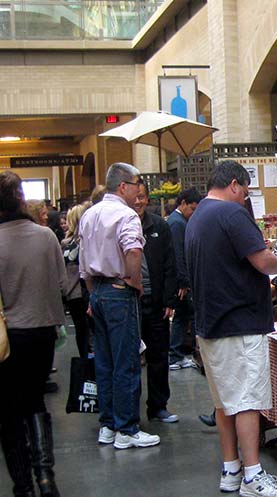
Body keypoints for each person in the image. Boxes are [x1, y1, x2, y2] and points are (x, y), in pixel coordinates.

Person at [185, 160, 277, 497]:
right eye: (245, 191)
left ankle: (231, 469)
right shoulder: (232, 214)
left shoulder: (197, 217)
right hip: (240, 322)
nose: (245, 198)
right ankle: (253, 476)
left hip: (210, 323)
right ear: (234, 185)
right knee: (247, 401)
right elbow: (262, 260)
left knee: (224, 402)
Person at [79, 162, 160, 450]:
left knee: (104, 361)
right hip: (119, 290)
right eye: (137, 183)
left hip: (98, 291)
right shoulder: (126, 215)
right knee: (127, 361)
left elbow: (83, 262)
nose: (140, 189)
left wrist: (92, 295)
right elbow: (133, 251)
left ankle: (108, 424)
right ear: (123, 186)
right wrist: (133, 282)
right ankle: (127, 428)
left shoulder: (89, 214)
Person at [0, 171, 65, 497]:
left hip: (7, 338)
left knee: (9, 411)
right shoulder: (45, 236)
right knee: (36, 400)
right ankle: (45, 477)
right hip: (42, 330)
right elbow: (59, 282)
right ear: (21, 199)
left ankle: (23, 484)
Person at [133, 183, 180, 423]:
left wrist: (169, 299)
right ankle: (130, 411)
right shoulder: (121, 223)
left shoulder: (159, 226)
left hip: (157, 301)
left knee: (159, 355)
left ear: (147, 198)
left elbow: (170, 264)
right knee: (130, 359)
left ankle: (158, 406)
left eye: (142, 197)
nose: (138, 201)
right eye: (135, 196)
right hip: (130, 302)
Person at [166, 187, 201, 371]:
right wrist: (183, 281)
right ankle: (177, 355)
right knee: (184, 316)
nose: (193, 213)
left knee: (183, 316)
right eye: (192, 209)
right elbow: (178, 255)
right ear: (183, 203)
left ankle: (177, 354)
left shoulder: (176, 221)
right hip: (181, 281)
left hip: (180, 279)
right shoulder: (177, 223)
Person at [61, 202, 93, 360]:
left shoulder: (66, 244)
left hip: (72, 294)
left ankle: (85, 365)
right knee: (92, 331)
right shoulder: (87, 242)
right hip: (86, 292)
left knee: (81, 332)